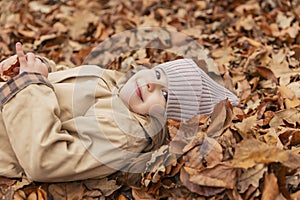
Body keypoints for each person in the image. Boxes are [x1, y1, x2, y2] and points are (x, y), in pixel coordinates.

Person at [0, 42, 238, 182]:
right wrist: (38, 69)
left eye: (164, 95)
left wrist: (29, 85)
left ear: (168, 122)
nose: (149, 84)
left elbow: (46, 160)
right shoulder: (119, 85)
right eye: (157, 74)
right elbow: (71, 84)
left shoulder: (124, 136)